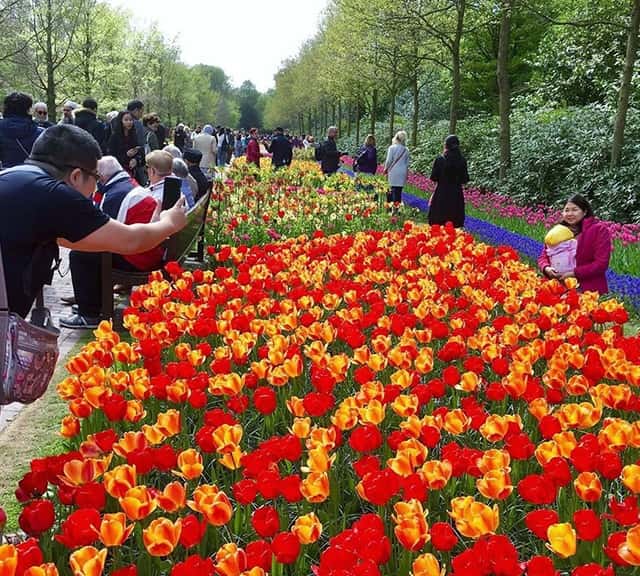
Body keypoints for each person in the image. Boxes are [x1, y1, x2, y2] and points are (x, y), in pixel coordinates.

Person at [0, 124, 186, 324]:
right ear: (76, 176)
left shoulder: (15, 176)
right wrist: (169, 222)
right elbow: (130, 241)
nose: (97, 186)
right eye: (96, 177)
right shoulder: (56, 194)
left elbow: (77, 241)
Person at [538, 194, 612, 294]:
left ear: (585, 211)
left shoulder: (599, 230)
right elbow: (544, 256)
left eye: (574, 210)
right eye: (566, 210)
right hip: (558, 287)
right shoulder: (558, 230)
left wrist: (574, 273)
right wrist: (546, 268)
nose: (570, 213)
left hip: (589, 290)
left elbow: (601, 264)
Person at [427, 134, 468, 227]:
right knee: (454, 223)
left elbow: (434, 177)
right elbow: (465, 179)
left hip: (441, 193)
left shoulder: (440, 159)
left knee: (438, 222)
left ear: (446, 145)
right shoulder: (462, 160)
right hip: (456, 194)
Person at [0, 92, 43, 169]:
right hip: (34, 176)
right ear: (28, 109)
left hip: (4, 175)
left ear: (5, 108)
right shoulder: (42, 133)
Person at [107, 110, 143, 180]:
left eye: (131, 120)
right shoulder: (115, 136)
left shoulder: (134, 135)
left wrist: (135, 160)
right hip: (119, 171)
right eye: (126, 120)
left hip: (133, 171)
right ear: (121, 121)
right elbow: (111, 156)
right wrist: (126, 155)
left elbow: (140, 152)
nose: (129, 122)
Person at [383, 130, 410, 203]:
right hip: (402, 172)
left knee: (390, 189)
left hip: (393, 171)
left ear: (396, 138)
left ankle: (389, 207)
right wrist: (407, 174)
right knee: (398, 191)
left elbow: (389, 160)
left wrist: (385, 169)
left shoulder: (391, 148)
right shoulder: (406, 150)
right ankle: (396, 208)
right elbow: (407, 164)